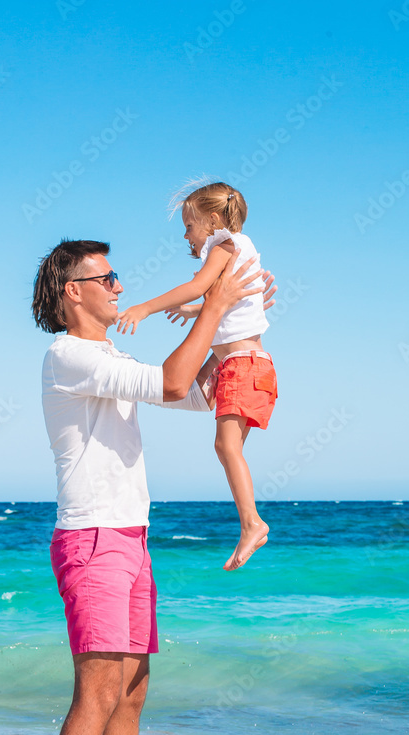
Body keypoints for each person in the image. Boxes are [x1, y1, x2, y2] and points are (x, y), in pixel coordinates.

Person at [32, 238, 275, 735]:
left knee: (133, 690)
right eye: (105, 277)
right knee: (99, 688)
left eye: (118, 276)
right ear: (71, 292)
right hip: (93, 538)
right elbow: (170, 379)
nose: (118, 286)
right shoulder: (68, 355)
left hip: (130, 536)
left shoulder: (106, 354)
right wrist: (212, 306)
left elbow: (190, 392)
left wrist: (237, 333)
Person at [116, 181, 277, 571]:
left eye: (189, 226)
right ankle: (251, 522)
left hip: (242, 366)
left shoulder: (224, 245)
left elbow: (199, 285)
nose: (186, 236)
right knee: (221, 440)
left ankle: (252, 523)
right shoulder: (240, 249)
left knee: (226, 448)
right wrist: (194, 312)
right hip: (244, 366)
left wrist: (144, 308)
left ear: (214, 221)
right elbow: (224, 303)